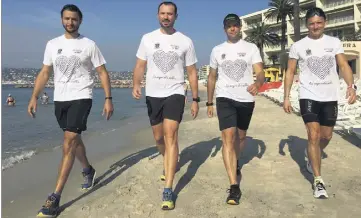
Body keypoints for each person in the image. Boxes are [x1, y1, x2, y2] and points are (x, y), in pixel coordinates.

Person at [28, 4, 114, 217]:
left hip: (82, 97)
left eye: (74, 19)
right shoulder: (52, 44)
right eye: (66, 18)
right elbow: (45, 72)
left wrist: (108, 98)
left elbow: (102, 72)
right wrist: (34, 96)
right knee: (73, 141)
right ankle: (88, 170)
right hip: (60, 99)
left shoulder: (89, 44)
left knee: (68, 141)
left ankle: (54, 198)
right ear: (61, 20)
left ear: (80, 21)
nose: (70, 22)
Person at [283, 7, 357, 199]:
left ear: (325, 23)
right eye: (311, 23)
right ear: (307, 25)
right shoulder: (298, 45)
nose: (315, 26)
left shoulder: (334, 42)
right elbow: (290, 71)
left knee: (327, 136)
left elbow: (343, 65)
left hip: (329, 97)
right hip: (308, 95)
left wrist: (351, 86)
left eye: (319, 23)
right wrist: (286, 96)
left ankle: (312, 154)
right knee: (313, 135)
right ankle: (318, 180)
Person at [132, 1, 199, 210]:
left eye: (170, 14)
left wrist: (196, 99)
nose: (166, 17)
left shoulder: (185, 41)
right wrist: (136, 83)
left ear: (176, 16)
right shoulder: (147, 38)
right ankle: (169, 160)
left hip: (175, 92)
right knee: (159, 137)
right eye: (163, 13)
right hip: (153, 94)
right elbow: (140, 65)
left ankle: (168, 189)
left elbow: (192, 72)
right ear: (157, 15)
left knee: (171, 135)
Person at [207, 14, 264, 205]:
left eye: (235, 26)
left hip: (246, 99)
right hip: (224, 98)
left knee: (240, 137)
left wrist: (258, 83)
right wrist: (208, 102)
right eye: (229, 26)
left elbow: (260, 72)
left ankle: (236, 161)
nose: (232, 29)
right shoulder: (217, 50)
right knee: (228, 137)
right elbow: (212, 77)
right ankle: (233, 186)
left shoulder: (251, 48)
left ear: (240, 27)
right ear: (224, 28)